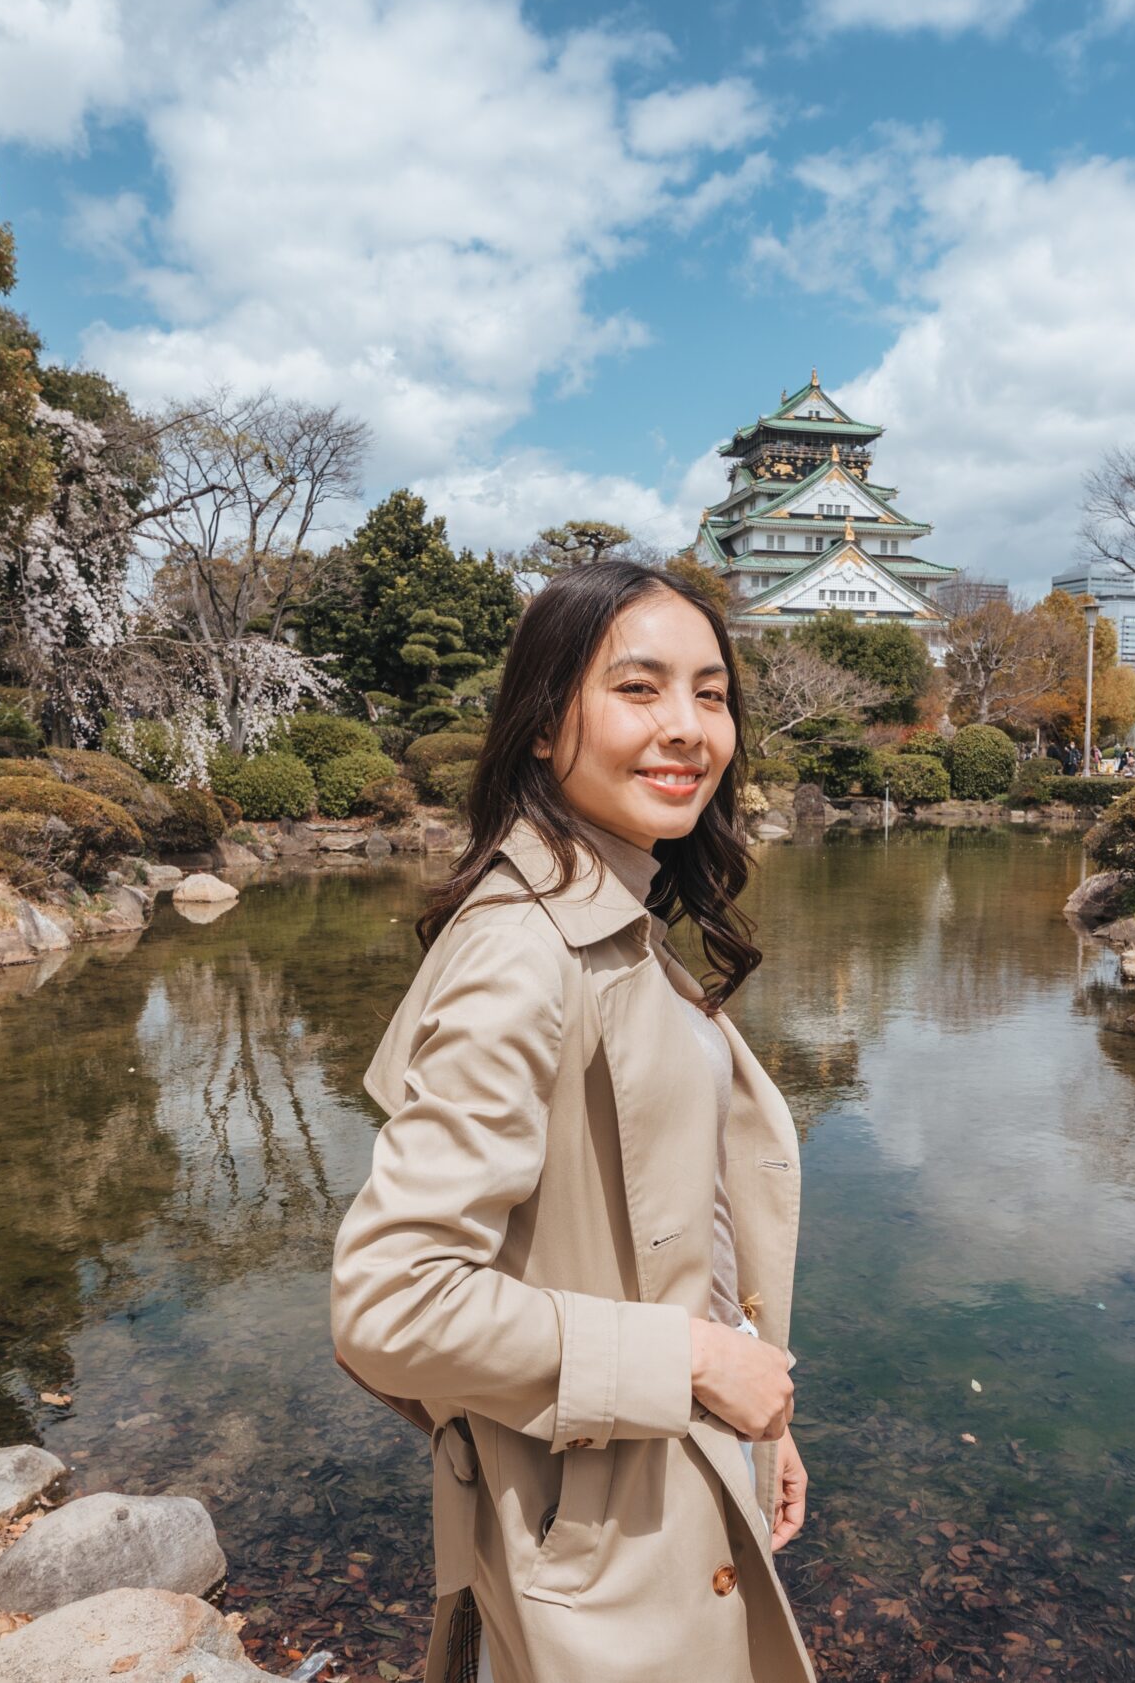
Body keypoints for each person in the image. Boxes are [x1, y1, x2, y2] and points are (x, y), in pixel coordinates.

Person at [330, 561, 816, 1683]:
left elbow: (676, 1222)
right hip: (601, 1546)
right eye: (638, 688)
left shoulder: (606, 915)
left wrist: (754, 1424)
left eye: (710, 694)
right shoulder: (523, 948)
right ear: (545, 725)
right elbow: (389, 1305)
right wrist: (696, 1365)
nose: (687, 727)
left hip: (657, 1484)